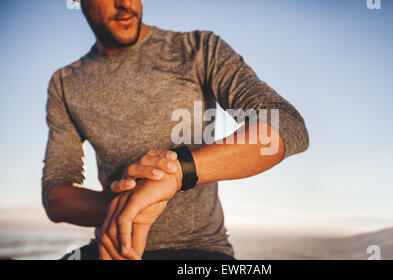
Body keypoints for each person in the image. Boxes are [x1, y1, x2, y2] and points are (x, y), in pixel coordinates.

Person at [43, 0, 309, 260]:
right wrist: (127, 204)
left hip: (198, 251)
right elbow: (56, 195)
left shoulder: (198, 49)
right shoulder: (65, 83)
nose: (125, 4)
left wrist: (177, 173)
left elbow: (286, 124)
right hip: (112, 249)